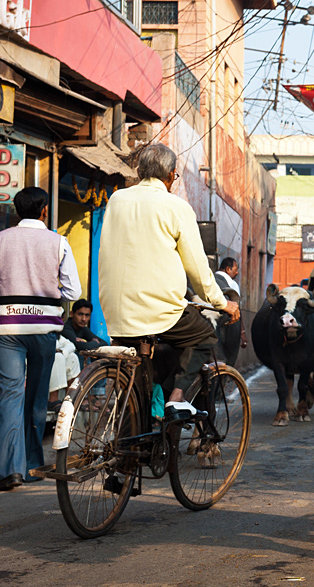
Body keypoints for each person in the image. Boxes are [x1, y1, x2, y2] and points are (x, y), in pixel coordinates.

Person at [99, 143, 239, 421]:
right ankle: (177, 399)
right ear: (172, 175)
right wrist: (223, 304)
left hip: (115, 313)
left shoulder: (116, 200)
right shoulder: (176, 206)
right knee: (204, 336)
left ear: (139, 172)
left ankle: (131, 441)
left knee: (136, 378)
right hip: (159, 312)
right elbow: (198, 270)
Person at [0, 186, 82, 491]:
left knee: (10, 395)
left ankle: (10, 470)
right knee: (38, 398)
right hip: (44, 329)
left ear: (16, 210)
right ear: (45, 210)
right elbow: (73, 292)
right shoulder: (59, 242)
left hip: (9, 328)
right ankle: (34, 463)